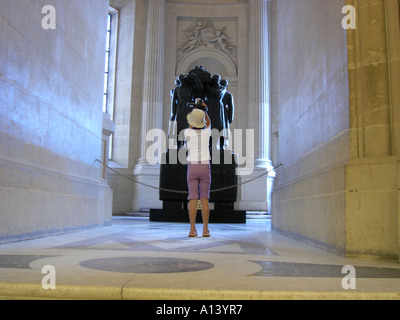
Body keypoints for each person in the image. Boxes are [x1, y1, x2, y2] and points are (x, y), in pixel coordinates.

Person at [184, 100, 211, 237]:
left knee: (193, 199)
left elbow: (192, 124)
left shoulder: (187, 133)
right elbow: (208, 122)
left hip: (192, 166)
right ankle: (205, 230)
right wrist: (203, 110)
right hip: (205, 166)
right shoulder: (207, 133)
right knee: (204, 199)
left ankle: (192, 229)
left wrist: (196, 110)